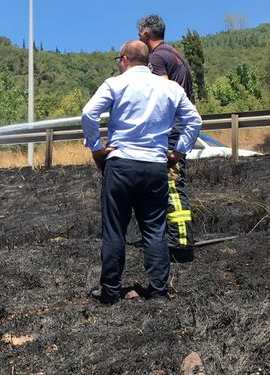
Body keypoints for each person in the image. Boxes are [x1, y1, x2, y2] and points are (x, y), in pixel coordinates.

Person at [81, 40, 201, 304]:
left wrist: (96, 149)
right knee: (155, 229)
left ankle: (110, 291)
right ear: (147, 61)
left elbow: (89, 113)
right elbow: (194, 120)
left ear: (124, 59)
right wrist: (179, 152)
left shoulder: (115, 83)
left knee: (114, 230)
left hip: (121, 164)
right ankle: (158, 291)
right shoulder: (170, 88)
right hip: (154, 166)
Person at [138, 14, 197, 263]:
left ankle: (181, 245)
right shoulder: (175, 54)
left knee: (172, 185)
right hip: (180, 126)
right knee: (171, 184)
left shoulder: (156, 57)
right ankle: (172, 238)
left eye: (139, 31)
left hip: (170, 130)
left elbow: (161, 92)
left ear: (145, 33)